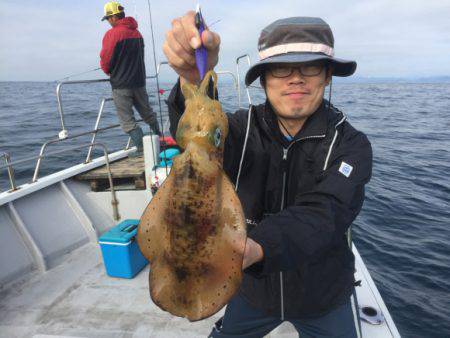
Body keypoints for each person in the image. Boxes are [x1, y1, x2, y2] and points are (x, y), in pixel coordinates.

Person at [164, 12, 372, 338]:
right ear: (264, 79)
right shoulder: (239, 130)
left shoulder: (350, 145)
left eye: (311, 66)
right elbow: (202, 139)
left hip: (323, 295)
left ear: (327, 76)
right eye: (280, 68)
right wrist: (192, 79)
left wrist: (256, 247)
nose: (296, 79)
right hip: (254, 292)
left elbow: (326, 212)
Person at [100, 1, 160, 157]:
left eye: (108, 18)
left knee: (127, 120)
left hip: (121, 85)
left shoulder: (112, 34)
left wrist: (108, 71)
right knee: (148, 113)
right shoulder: (137, 33)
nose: (108, 21)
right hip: (139, 82)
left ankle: (142, 150)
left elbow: (106, 59)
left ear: (113, 17)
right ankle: (159, 139)